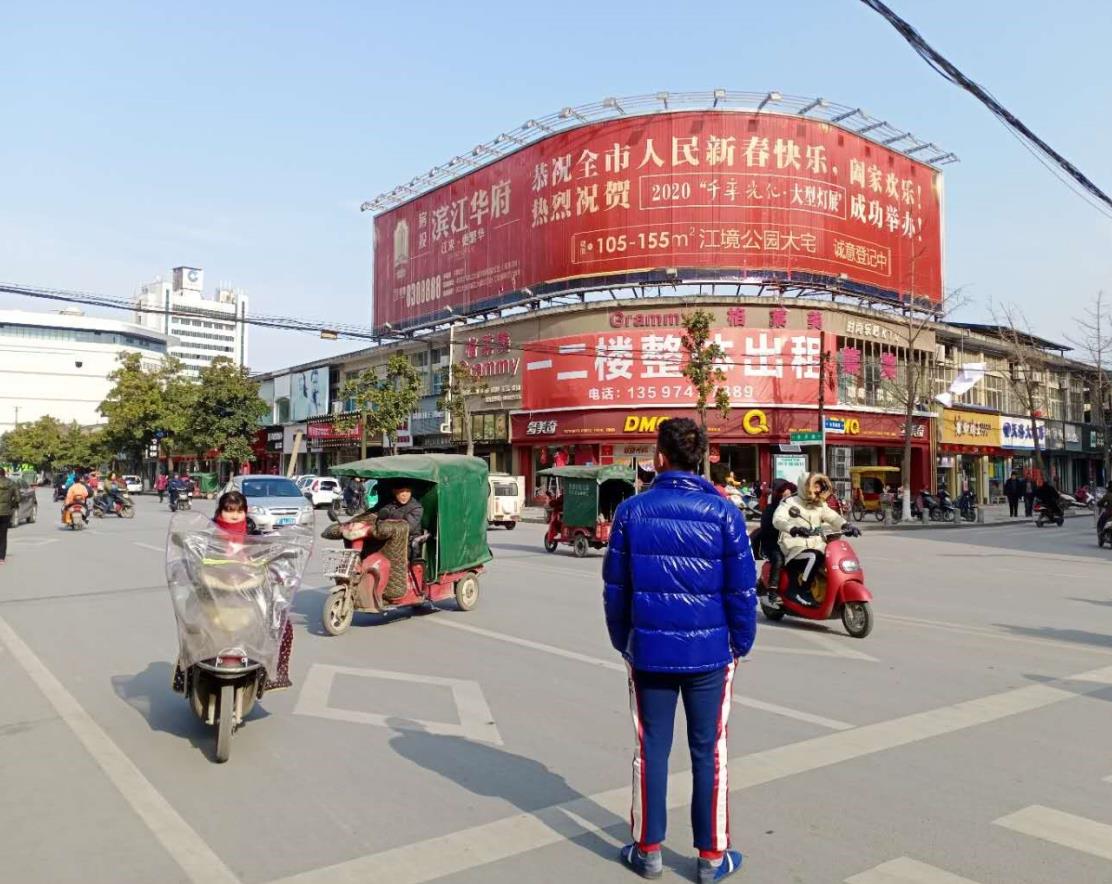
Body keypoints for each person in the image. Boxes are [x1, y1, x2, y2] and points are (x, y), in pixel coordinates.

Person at [603, 418, 756, 883]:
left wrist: (625, 642)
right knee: (710, 752)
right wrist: (740, 644)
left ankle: (647, 850)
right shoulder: (725, 513)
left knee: (651, 749)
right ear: (702, 458)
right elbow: (742, 591)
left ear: (659, 458)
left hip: (649, 653)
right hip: (711, 655)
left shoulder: (631, 512)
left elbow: (615, 590)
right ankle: (711, 857)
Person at [213, 491, 293, 690]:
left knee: (283, 624)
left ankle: (275, 674)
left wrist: (277, 565)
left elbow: (267, 553)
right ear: (220, 511)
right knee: (193, 624)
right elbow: (193, 553)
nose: (234, 515)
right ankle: (186, 669)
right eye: (229, 510)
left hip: (250, 591)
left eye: (239, 511)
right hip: (214, 591)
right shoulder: (208, 532)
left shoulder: (253, 534)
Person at [773, 473, 846, 608]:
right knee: (814, 556)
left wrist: (846, 525)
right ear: (805, 486)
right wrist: (793, 529)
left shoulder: (819, 504)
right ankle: (799, 591)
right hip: (794, 545)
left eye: (819, 486)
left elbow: (832, 517)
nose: (817, 489)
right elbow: (778, 519)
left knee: (833, 558)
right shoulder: (790, 502)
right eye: (815, 485)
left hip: (816, 543)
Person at [757, 479, 796, 593]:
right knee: (778, 559)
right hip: (773, 544)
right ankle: (772, 589)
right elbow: (767, 530)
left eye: (790, 495)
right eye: (785, 495)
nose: (788, 498)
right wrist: (785, 530)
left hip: (792, 542)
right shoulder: (771, 510)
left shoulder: (794, 509)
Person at [0, 468, 21, 563]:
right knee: (3, 535)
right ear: (4, 474)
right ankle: (1, 558)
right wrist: (11, 505)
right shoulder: (11, 483)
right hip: (6, 512)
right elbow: (18, 498)